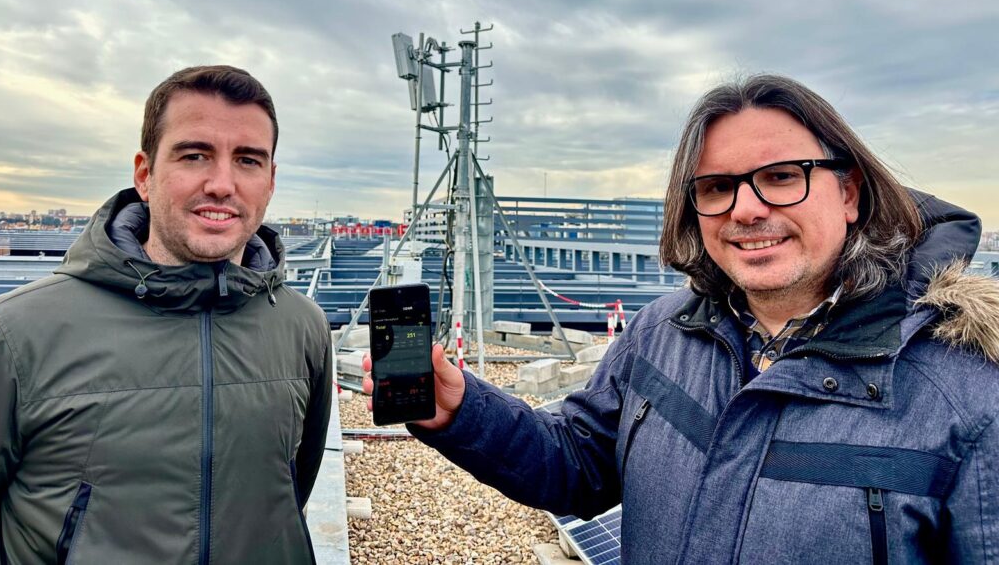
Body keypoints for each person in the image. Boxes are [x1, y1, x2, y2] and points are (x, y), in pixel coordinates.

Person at [365, 74, 999, 564]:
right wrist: (462, 410)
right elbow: (579, 465)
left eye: (782, 177)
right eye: (717, 187)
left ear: (850, 193)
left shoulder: (968, 397)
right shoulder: (661, 333)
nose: (746, 210)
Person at [0, 65, 333, 564]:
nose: (222, 184)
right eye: (194, 155)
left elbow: (291, 487)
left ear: (270, 181)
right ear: (144, 175)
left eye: (248, 160)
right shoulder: (12, 335)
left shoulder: (302, 327)